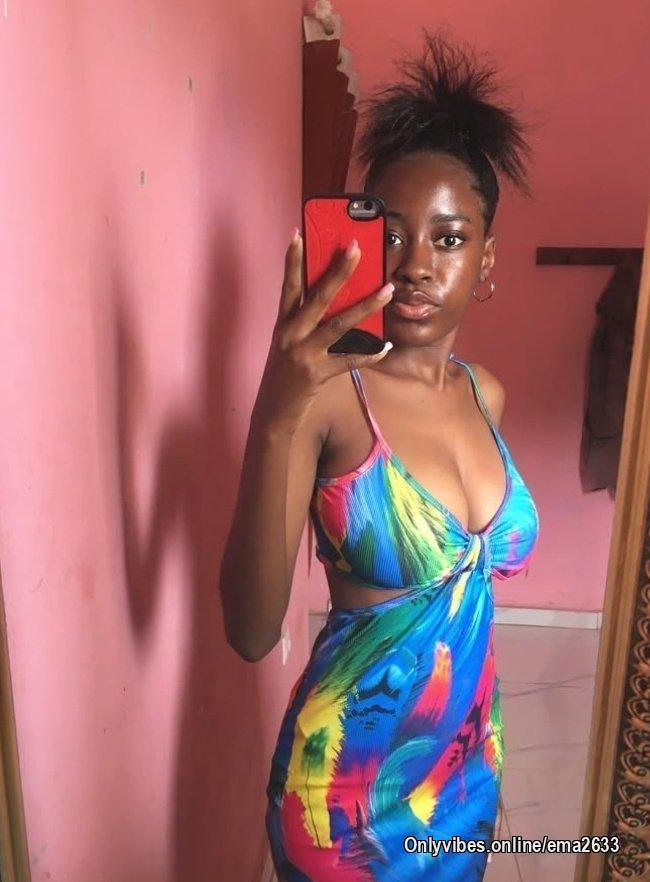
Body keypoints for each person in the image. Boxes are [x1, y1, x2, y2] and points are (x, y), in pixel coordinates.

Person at [219, 29, 540, 881]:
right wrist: (276, 411)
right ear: (358, 243)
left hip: (466, 772)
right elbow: (249, 631)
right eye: (392, 235)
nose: (417, 265)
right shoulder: (329, 397)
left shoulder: (485, 395)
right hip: (341, 796)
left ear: (486, 259)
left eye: (449, 238)